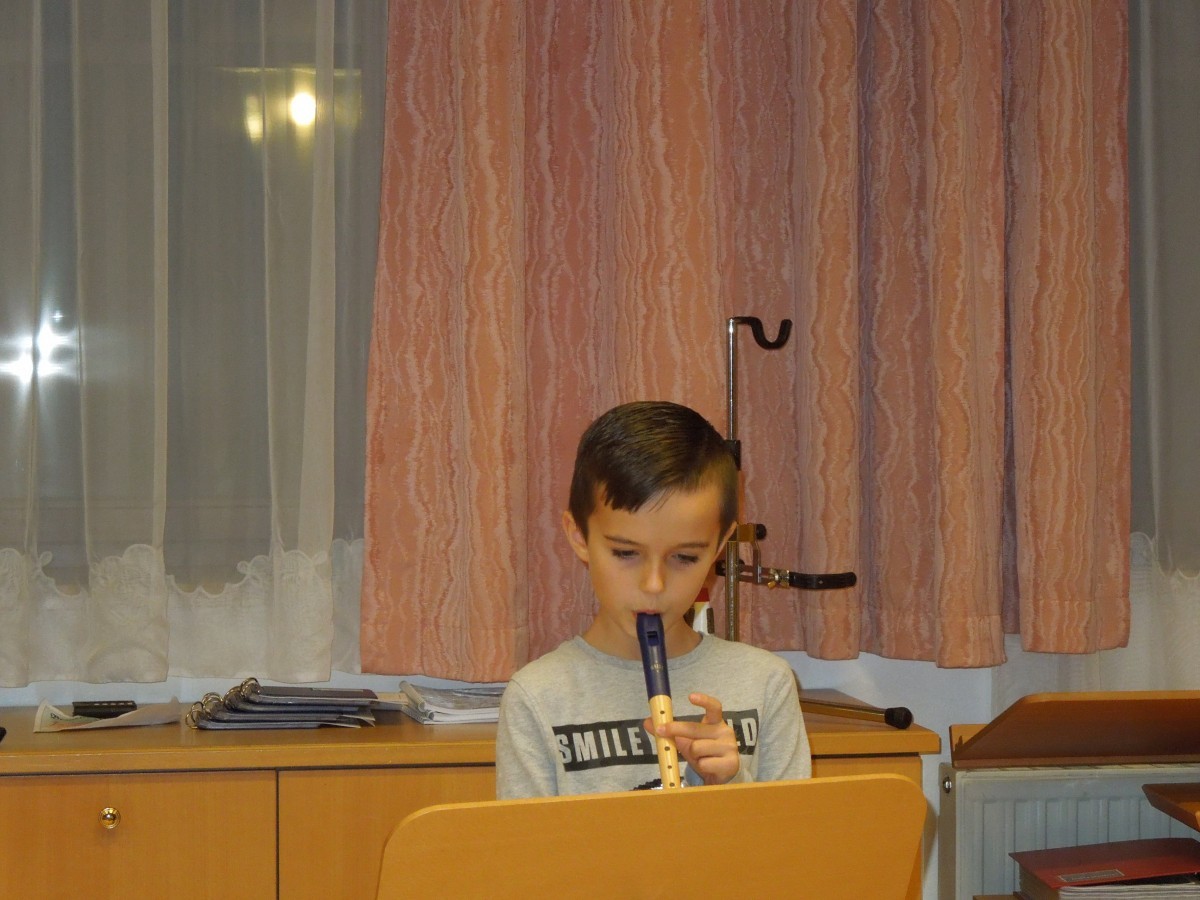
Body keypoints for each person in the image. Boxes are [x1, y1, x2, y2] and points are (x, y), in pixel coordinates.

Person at [496, 400, 811, 797]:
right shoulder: (537, 696)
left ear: (719, 547)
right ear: (579, 536)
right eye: (626, 553)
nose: (654, 584)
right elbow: (526, 838)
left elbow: (795, 833)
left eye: (685, 557)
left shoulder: (765, 683)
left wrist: (730, 785)